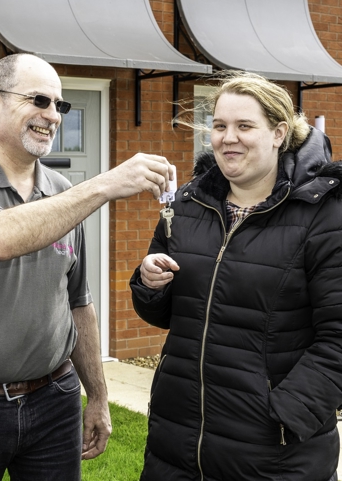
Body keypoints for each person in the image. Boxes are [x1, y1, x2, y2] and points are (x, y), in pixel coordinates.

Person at [0, 52, 175, 481]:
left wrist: (97, 395)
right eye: (39, 100)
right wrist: (107, 184)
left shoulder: (61, 191)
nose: (52, 115)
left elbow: (78, 302)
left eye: (60, 105)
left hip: (54, 399)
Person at [130, 71, 342, 481]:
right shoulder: (189, 204)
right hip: (179, 442)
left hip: (273, 455)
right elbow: (170, 315)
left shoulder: (324, 214)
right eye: (220, 126)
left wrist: (286, 414)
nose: (229, 138)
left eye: (245, 126)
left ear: (279, 132)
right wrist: (149, 284)